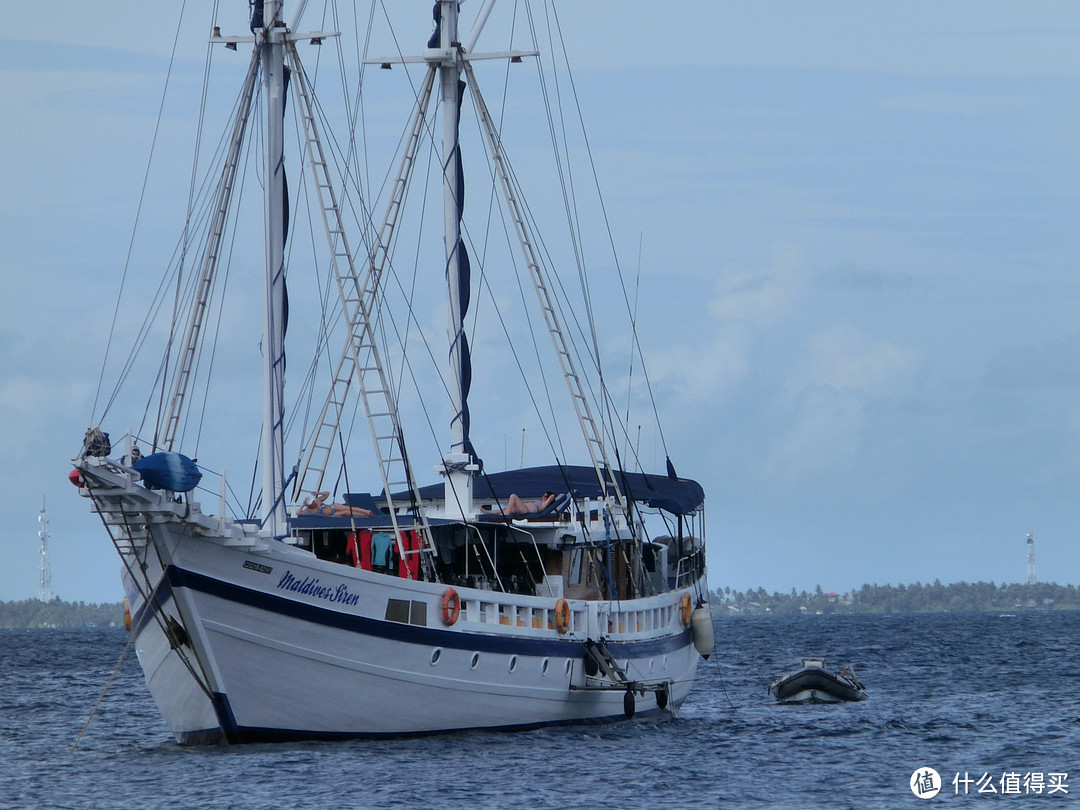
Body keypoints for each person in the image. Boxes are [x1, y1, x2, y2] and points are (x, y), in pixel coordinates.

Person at [298, 491, 373, 517]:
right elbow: (298, 513)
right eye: (311, 503)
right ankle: (365, 515)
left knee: (349, 508)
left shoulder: (317, 500)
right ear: (308, 505)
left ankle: (366, 511)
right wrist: (302, 505)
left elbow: (327, 494)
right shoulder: (308, 510)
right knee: (346, 512)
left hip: (333, 507)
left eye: (313, 501)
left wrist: (317, 493)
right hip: (332, 515)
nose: (313, 502)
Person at [482, 491, 557, 516]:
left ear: (547, 498)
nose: (543, 496)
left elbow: (552, 496)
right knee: (505, 509)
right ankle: (488, 512)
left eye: (545, 495)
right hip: (523, 507)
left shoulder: (544, 505)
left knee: (513, 496)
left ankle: (507, 512)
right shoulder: (542, 502)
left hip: (526, 510)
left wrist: (550, 495)